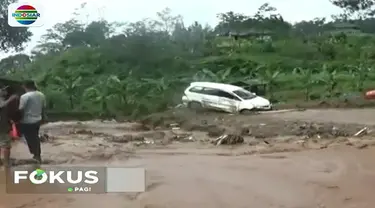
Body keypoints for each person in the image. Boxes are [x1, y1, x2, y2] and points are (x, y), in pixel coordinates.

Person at [19, 80, 46, 163]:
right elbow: (43, 107)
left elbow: (21, 109)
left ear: (25, 86)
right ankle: (36, 154)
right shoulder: (41, 95)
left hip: (27, 121)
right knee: (34, 137)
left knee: (29, 138)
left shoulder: (25, 96)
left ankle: (36, 155)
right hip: (38, 119)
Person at [0, 86, 19, 167]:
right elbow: (2, 106)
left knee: (5, 144)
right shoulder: (3, 101)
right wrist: (10, 100)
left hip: (4, 125)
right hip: (2, 126)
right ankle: (6, 163)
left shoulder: (3, 100)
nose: (5, 91)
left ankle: (5, 163)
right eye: (3, 89)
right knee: (6, 144)